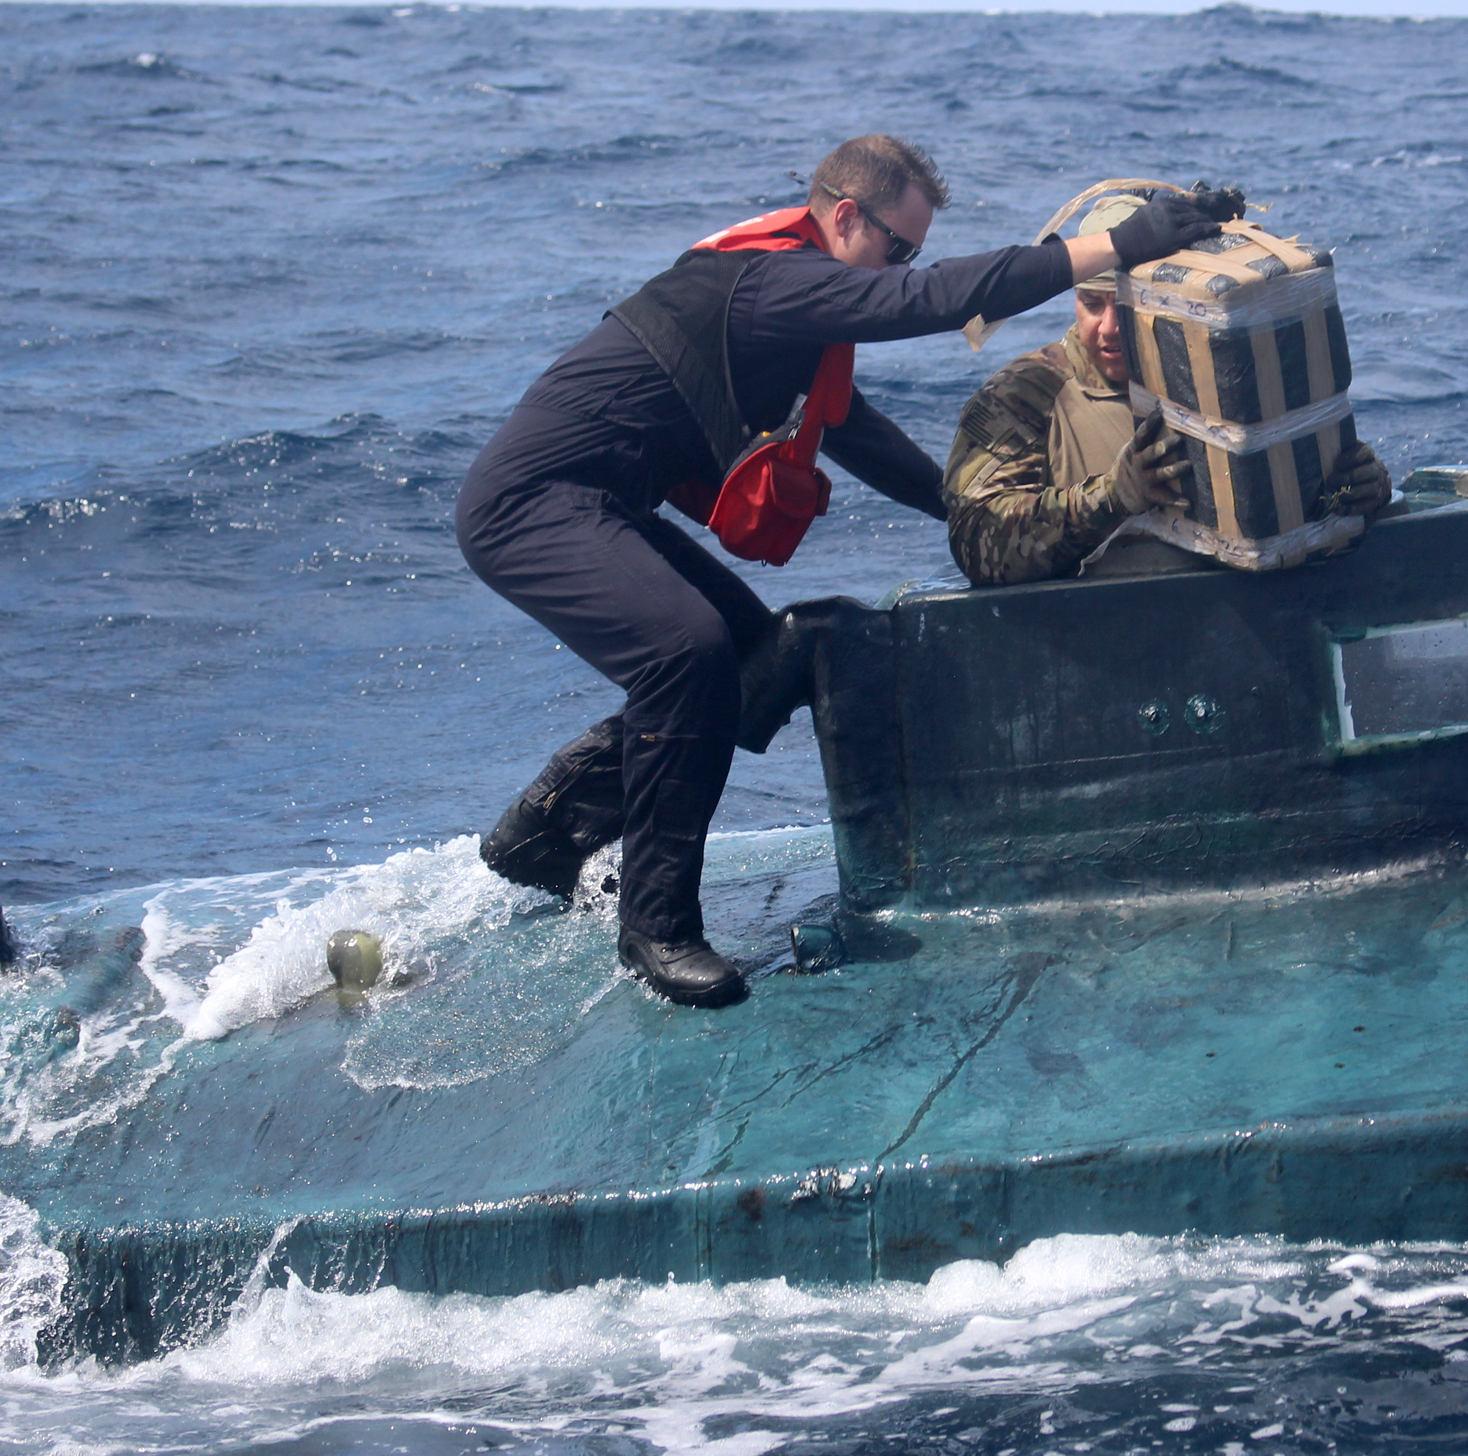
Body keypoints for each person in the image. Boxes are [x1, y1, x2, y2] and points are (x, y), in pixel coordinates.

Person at [454, 137, 1223, 1008]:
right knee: (686, 649)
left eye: (912, 254)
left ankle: (550, 835)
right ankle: (656, 926)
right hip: (531, 500)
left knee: (755, 650)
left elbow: (851, 430)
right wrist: (1123, 243)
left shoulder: (797, 320)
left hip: (596, 502)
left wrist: (967, 509)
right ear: (845, 216)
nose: (902, 268)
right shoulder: (773, 284)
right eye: (896, 248)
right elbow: (935, 300)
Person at [944, 194, 1390, 586]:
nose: (1110, 328)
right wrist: (1112, 498)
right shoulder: (1024, 395)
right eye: (1092, 305)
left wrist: (1361, 492)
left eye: (1125, 306)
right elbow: (976, 547)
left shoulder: (1220, 377)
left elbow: (1287, 501)